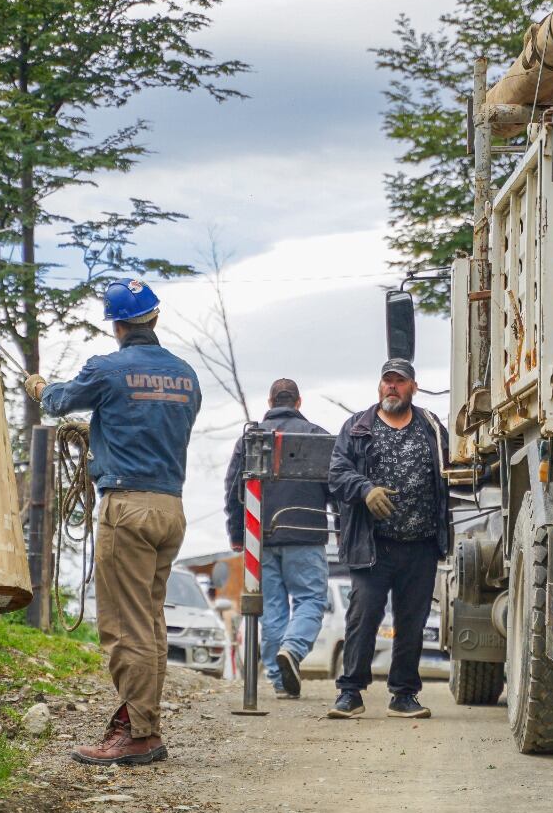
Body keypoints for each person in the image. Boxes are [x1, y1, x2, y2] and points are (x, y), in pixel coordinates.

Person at [25, 278, 200, 765]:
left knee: (125, 628)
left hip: (128, 509)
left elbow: (60, 401)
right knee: (150, 622)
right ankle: (141, 721)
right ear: (155, 318)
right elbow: (151, 425)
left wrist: (40, 387)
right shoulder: (186, 376)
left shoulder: (109, 368)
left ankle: (139, 733)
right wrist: (101, 432)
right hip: (171, 508)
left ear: (117, 324)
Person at [325, 358, 450, 720]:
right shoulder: (357, 427)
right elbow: (336, 473)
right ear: (379, 387)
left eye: (400, 381)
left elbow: (450, 466)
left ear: (413, 386)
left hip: (421, 544)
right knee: (363, 616)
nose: (392, 387)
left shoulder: (430, 426)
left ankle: (404, 695)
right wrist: (364, 490)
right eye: (387, 381)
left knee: (413, 621)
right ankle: (350, 692)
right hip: (372, 545)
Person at [222, 379, 331, 699]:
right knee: (311, 600)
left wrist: (237, 535)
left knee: (271, 609)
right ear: (299, 402)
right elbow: (336, 486)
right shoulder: (317, 436)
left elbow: (234, 489)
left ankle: (280, 681)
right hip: (307, 536)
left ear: (270, 402)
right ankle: (293, 651)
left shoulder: (251, 438)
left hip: (262, 538)